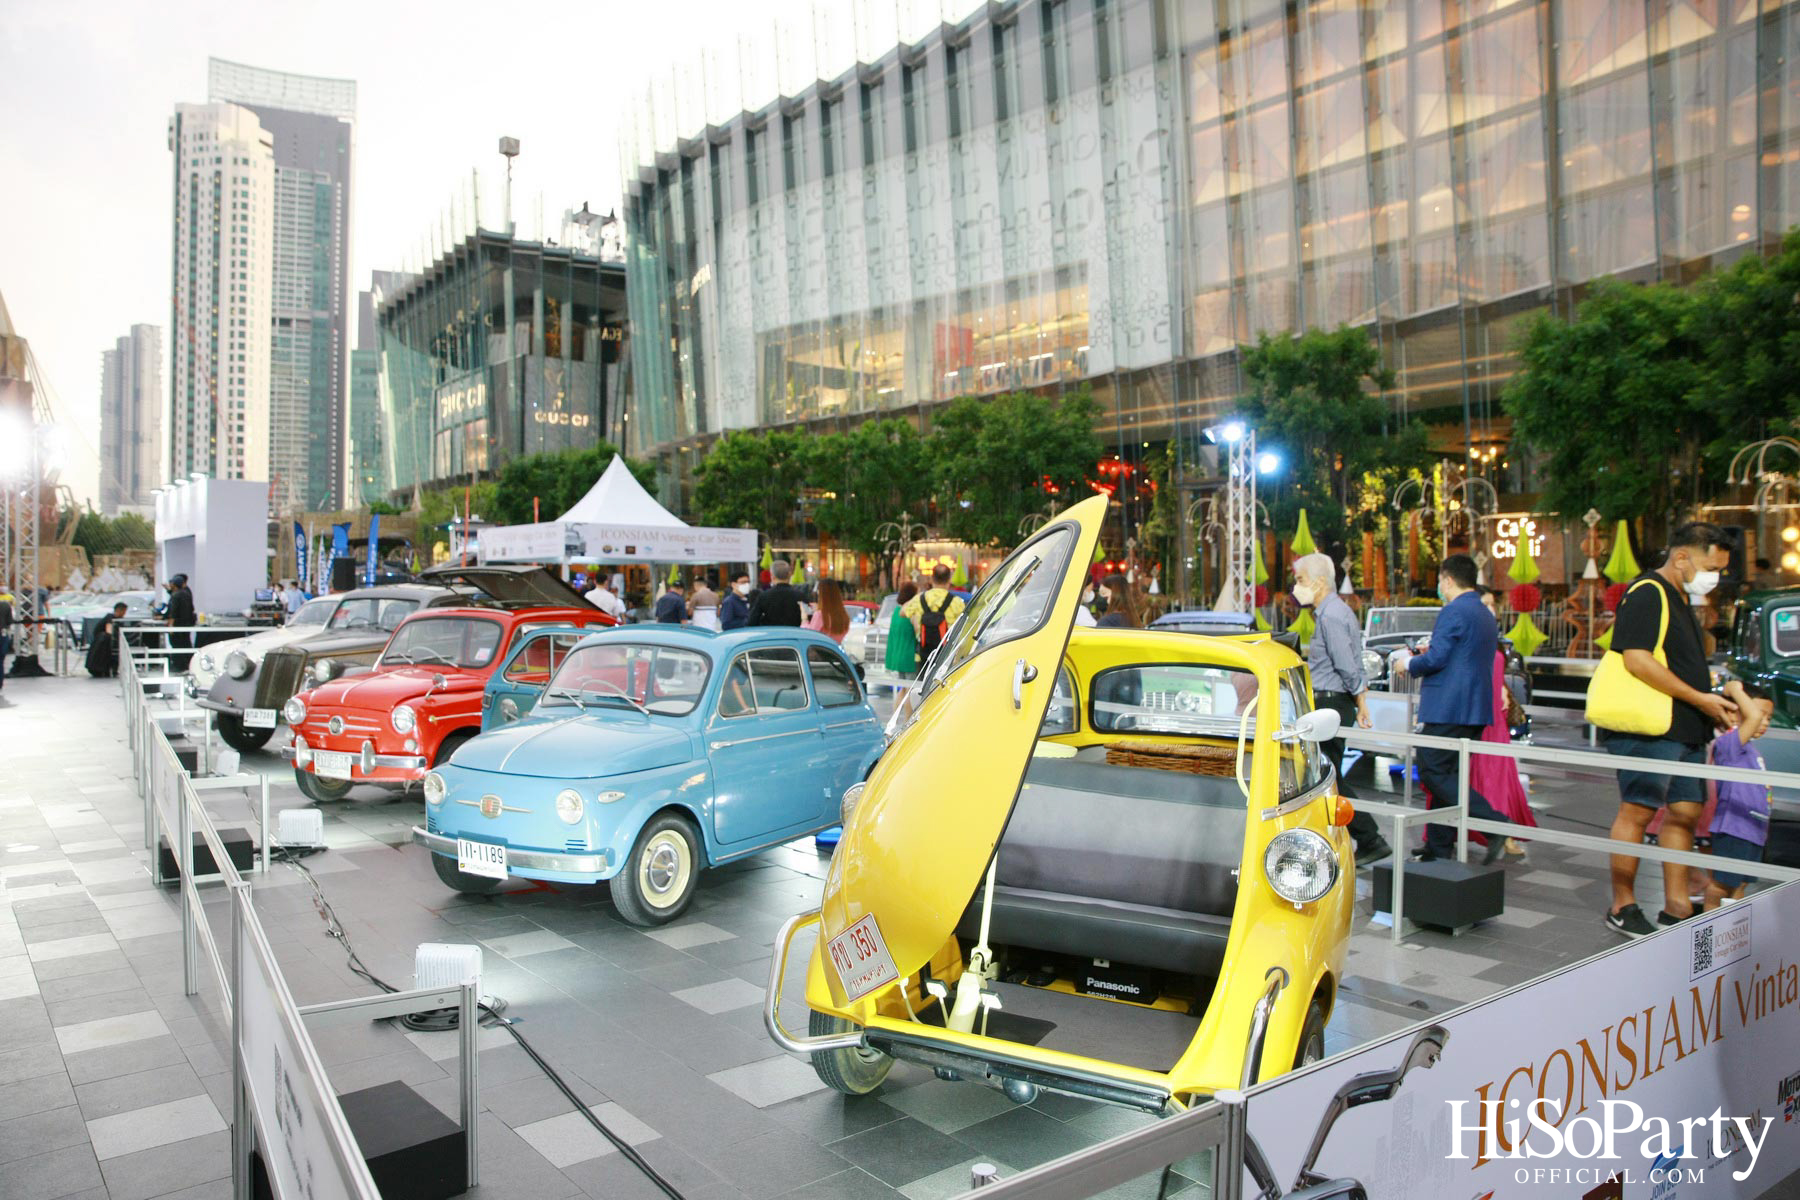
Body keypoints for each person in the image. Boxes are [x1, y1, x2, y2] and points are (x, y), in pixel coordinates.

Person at [1600, 522, 1738, 937]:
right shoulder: (1648, 593)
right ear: (1681, 557)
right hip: (1650, 729)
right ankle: (1622, 905)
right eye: (1710, 567)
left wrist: (1708, 705)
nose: (1714, 578)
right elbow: (1636, 659)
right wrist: (1700, 699)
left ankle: (1676, 905)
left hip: (1686, 728)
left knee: (1684, 812)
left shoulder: (1679, 598)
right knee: (1638, 810)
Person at [1392, 554, 1510, 864]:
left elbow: (1437, 660)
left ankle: (1494, 822)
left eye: (1439, 581)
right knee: (1450, 776)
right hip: (1473, 708)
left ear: (1447, 580)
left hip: (1449, 707)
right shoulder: (1484, 613)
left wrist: (1407, 663)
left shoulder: (1453, 611)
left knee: (1431, 770)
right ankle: (1438, 847)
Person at [1292, 553, 1391, 866]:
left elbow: (1347, 665)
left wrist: (1360, 699)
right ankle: (1361, 835)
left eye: (1301, 580)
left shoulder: (1332, 616)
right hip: (1335, 699)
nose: (1297, 587)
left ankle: (1370, 836)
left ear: (1320, 583)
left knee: (1326, 774)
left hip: (1331, 700)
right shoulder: (1334, 612)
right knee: (1326, 773)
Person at [1701, 680, 1774, 909]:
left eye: (1769, 718)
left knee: (1741, 884)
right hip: (1734, 828)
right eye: (1760, 714)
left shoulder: (1751, 750)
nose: (1763, 722)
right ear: (1734, 712)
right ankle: (1710, 931)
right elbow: (1750, 718)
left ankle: (1730, 934)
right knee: (1721, 884)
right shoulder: (1731, 745)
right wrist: (1734, 691)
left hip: (1754, 830)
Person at [1475, 586, 1536, 858]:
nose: (1491, 610)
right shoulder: (1471, 638)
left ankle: (1504, 832)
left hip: (1496, 720)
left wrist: (1502, 689)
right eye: (1484, 604)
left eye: (1492, 604)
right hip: (1478, 718)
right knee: (1477, 778)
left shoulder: (1493, 639)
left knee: (1501, 778)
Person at [904, 564, 966, 656]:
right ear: (949, 580)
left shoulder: (919, 599)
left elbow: (902, 612)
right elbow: (964, 627)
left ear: (931, 579)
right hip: (947, 657)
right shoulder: (957, 602)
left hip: (923, 656)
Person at [748, 560, 805, 626]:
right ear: (789, 575)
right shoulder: (800, 595)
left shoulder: (764, 596)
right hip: (796, 634)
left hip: (771, 634)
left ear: (772, 576)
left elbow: (752, 621)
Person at [886, 581, 921, 678]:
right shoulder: (910, 612)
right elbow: (918, 632)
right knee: (911, 690)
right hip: (910, 658)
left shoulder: (896, 611)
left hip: (897, 656)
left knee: (903, 688)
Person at [86, 601, 129, 678]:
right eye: (124, 612)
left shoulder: (113, 619)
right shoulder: (111, 618)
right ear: (120, 611)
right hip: (104, 644)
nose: (124, 614)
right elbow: (109, 631)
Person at [164, 574, 196, 673]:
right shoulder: (187, 593)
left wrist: (171, 627)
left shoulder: (176, 595)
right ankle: (190, 665)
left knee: (176, 645)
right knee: (186, 644)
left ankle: (179, 667)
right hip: (186, 625)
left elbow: (173, 613)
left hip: (178, 625)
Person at [804, 578, 851, 644]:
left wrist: (804, 620)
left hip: (819, 652)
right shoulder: (844, 616)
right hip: (834, 652)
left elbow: (810, 635)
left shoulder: (820, 615)